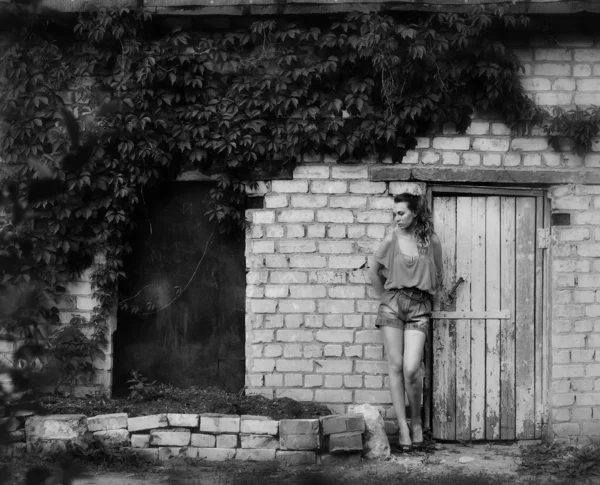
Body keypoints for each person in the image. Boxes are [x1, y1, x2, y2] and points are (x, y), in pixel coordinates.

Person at [367, 190, 443, 452]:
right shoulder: (391, 240)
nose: (396, 218)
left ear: (415, 213)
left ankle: (417, 422)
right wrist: (385, 298)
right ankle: (403, 427)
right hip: (392, 306)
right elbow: (373, 272)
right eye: (394, 214)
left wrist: (434, 298)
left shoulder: (430, 241)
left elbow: (439, 274)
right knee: (396, 365)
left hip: (420, 306)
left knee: (412, 368)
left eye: (401, 213)